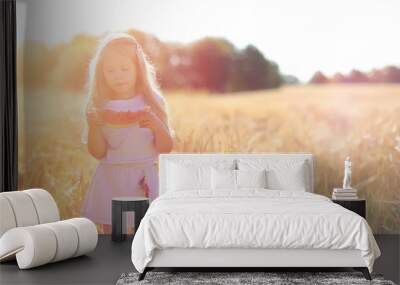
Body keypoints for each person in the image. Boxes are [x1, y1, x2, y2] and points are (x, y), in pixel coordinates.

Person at [80, 32, 174, 234]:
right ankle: (114, 266)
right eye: (110, 70)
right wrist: (95, 127)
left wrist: (157, 125)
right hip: (110, 176)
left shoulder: (153, 102)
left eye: (124, 68)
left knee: (144, 232)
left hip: (143, 177)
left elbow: (166, 147)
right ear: (101, 73)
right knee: (114, 234)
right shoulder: (99, 106)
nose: (118, 75)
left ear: (138, 70)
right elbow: (97, 152)